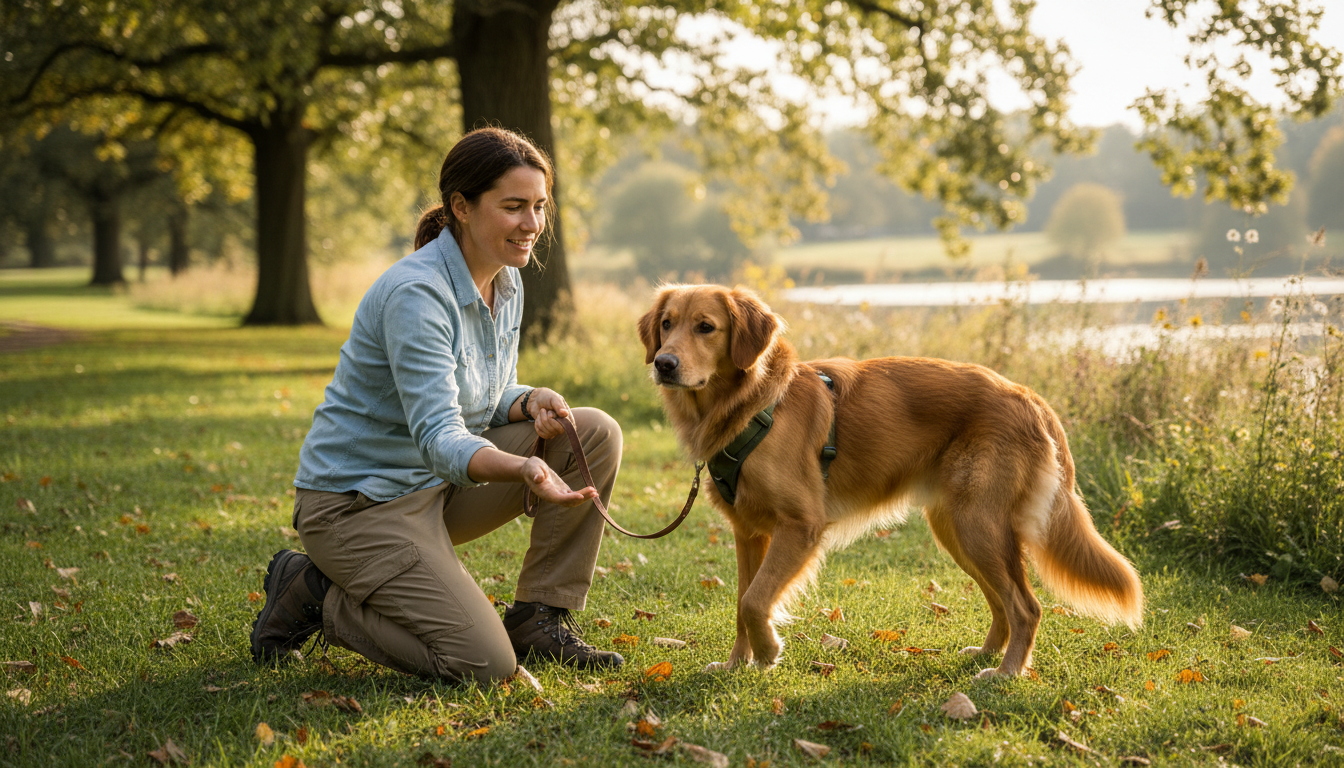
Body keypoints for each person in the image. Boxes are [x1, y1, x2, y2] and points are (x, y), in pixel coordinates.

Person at [249, 127, 624, 684]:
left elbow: (485, 394)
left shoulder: (505, 280)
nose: (532, 225)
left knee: (590, 431)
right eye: (514, 207)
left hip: (434, 487)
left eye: (540, 207)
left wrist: (529, 400)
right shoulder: (417, 295)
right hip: (359, 506)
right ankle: (315, 592)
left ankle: (538, 619)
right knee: (488, 668)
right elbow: (441, 437)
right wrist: (523, 467)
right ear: (461, 207)